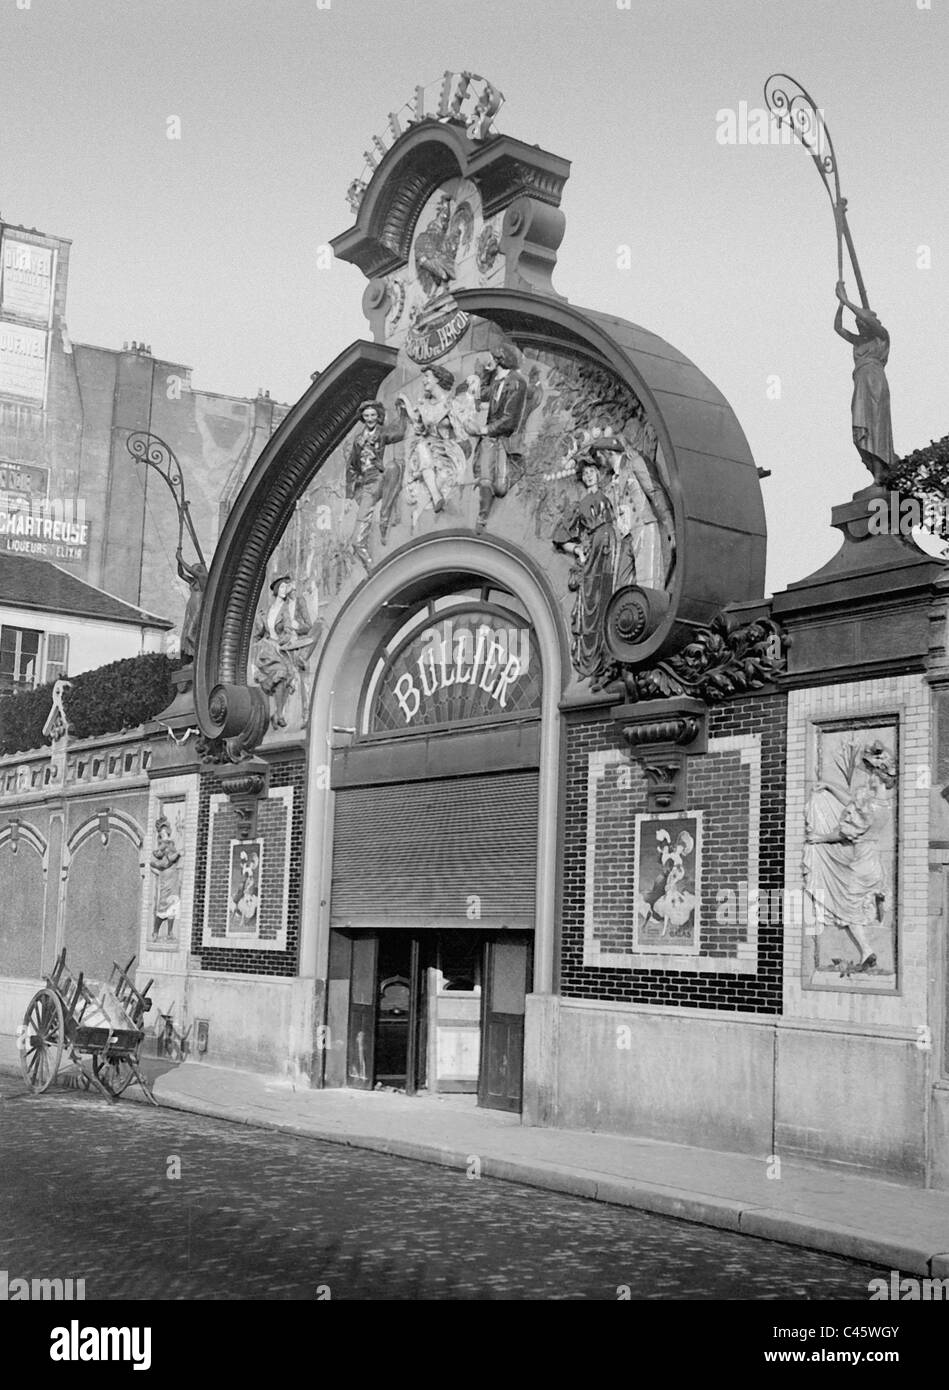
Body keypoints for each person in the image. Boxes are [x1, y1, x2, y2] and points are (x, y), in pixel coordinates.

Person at [804, 739, 896, 974]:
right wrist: (828, 785)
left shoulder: (870, 808)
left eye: (872, 773)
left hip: (861, 864)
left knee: (848, 907)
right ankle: (867, 950)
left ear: (879, 775)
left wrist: (819, 837)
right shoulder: (882, 805)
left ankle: (866, 950)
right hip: (873, 862)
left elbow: (844, 831)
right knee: (853, 907)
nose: (869, 778)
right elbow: (851, 803)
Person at [552, 454, 618, 684]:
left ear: (599, 474)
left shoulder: (612, 492)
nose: (589, 476)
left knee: (612, 592)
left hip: (613, 543)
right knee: (593, 600)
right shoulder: (579, 506)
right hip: (594, 549)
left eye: (592, 471)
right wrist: (577, 550)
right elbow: (561, 536)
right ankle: (592, 660)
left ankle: (611, 655)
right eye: (585, 473)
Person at [834, 279, 896, 486]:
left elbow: (870, 322)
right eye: (858, 324)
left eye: (862, 323)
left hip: (875, 382)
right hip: (860, 383)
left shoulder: (881, 336)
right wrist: (841, 305)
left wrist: (848, 300)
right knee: (860, 427)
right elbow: (838, 328)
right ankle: (874, 471)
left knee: (876, 425)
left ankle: (880, 474)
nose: (859, 325)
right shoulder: (859, 341)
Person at [398, 366, 468, 527]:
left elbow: (463, 430)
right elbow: (419, 427)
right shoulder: (424, 406)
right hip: (426, 453)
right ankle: (436, 497)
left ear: (438, 378)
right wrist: (406, 403)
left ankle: (425, 507)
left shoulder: (452, 403)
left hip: (447, 452)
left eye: (427, 376)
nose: (424, 381)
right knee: (422, 447)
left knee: (438, 471)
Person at [470, 342, 527, 532]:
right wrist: (485, 374)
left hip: (504, 438)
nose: (489, 361)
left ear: (499, 359)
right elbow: (481, 395)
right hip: (489, 440)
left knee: (500, 487)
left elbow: (510, 419)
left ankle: (505, 478)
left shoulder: (517, 382)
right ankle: (482, 517)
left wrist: (485, 429)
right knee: (486, 478)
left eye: (492, 358)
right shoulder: (496, 381)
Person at [346, 400, 408, 570]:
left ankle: (385, 516)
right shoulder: (358, 440)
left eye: (373, 415)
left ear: (378, 416)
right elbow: (351, 467)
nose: (370, 418)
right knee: (356, 540)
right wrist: (349, 495)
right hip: (367, 485)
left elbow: (400, 432)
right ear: (363, 418)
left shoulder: (381, 434)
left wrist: (403, 412)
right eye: (366, 416)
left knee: (394, 467)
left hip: (380, 478)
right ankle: (369, 565)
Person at [253, 575, 311, 729]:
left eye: (288, 586)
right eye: (283, 587)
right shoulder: (265, 612)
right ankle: (277, 714)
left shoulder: (287, 609)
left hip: (279, 648)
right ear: (277, 589)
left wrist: (281, 642)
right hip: (266, 649)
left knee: (284, 674)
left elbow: (287, 630)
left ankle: (278, 714)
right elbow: (257, 635)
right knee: (281, 673)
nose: (286, 589)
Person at [150, 815, 182, 943]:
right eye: (161, 831)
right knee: (163, 906)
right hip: (166, 878)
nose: (164, 833)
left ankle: (169, 933)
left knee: (173, 906)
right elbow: (168, 858)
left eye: (165, 830)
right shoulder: (162, 845)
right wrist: (179, 853)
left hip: (173, 877)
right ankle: (155, 931)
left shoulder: (171, 843)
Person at [176, 547, 208, 660]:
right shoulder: (194, 581)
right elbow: (181, 574)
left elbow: (189, 570)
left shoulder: (204, 578)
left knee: (191, 633)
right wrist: (178, 562)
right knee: (186, 633)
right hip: (191, 605)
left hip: (199, 606)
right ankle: (193, 657)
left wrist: (181, 558)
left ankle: (201, 656)